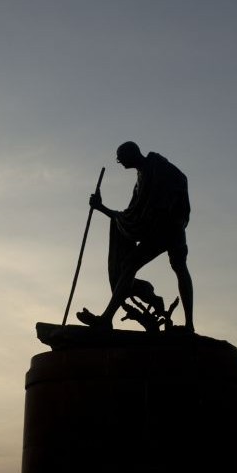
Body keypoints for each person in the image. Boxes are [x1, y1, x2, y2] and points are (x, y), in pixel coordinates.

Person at [76, 141, 194, 332]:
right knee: (130, 265)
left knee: (178, 267)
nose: (120, 163)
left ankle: (189, 325)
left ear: (132, 154)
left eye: (121, 158)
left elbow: (181, 181)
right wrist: (101, 208)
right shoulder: (139, 182)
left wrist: (169, 209)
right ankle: (107, 319)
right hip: (156, 231)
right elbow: (131, 215)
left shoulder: (158, 165)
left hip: (170, 227)